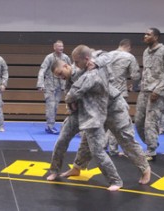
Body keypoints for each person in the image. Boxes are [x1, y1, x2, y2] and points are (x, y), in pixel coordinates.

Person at [45, 45, 123, 191]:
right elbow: (69, 94)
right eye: (59, 76)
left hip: (94, 114)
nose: (61, 77)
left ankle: (115, 180)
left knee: (97, 151)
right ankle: (54, 170)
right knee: (61, 141)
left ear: (67, 65)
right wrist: (70, 105)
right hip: (77, 114)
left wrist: (96, 62)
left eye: (61, 73)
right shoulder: (69, 78)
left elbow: (106, 55)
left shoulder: (90, 69)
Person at [134, 28, 164, 161]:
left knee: (150, 122)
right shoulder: (146, 52)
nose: (145, 36)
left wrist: (158, 90)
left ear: (156, 37)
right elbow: (146, 72)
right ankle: (150, 144)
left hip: (156, 92)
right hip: (144, 91)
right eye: (145, 34)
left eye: (148, 34)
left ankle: (151, 150)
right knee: (139, 121)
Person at [104, 39, 141, 155]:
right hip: (119, 94)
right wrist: (133, 87)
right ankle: (113, 149)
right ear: (128, 47)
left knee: (104, 120)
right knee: (118, 121)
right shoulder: (129, 57)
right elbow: (135, 76)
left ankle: (101, 145)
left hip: (105, 92)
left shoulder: (107, 55)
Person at [36, 40, 70, 134]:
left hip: (60, 86)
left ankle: (50, 125)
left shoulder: (66, 58)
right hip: (49, 85)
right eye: (59, 46)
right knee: (51, 106)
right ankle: (50, 126)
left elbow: (70, 70)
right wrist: (40, 83)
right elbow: (42, 69)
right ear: (54, 47)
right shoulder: (49, 57)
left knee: (55, 107)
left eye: (62, 46)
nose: (61, 48)